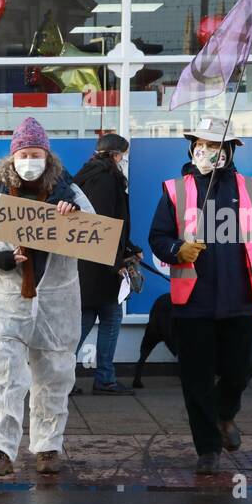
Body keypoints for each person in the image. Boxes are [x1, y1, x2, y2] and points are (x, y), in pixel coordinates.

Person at [0, 116, 94, 477]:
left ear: (48, 156)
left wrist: (74, 218)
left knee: (55, 374)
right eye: (24, 153)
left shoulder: (70, 191)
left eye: (36, 153)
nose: (30, 160)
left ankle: (48, 446)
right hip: (8, 299)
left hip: (57, 302)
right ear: (13, 156)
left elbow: (96, 235)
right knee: (4, 376)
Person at [148, 116, 252, 475]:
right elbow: (157, 237)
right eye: (200, 144)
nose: (205, 151)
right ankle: (207, 447)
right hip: (193, 301)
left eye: (214, 145)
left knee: (240, 368)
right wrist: (179, 249)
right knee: (196, 378)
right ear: (191, 148)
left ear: (230, 150)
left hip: (239, 299)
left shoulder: (251, 189)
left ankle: (225, 415)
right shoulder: (175, 189)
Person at [73, 133, 142, 395]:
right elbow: (102, 225)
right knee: (111, 317)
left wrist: (130, 249)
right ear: (115, 155)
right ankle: (104, 379)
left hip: (89, 264)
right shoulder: (105, 179)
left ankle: (61, 378)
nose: (123, 160)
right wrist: (117, 262)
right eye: (122, 155)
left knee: (86, 319)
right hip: (101, 266)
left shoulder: (89, 175)